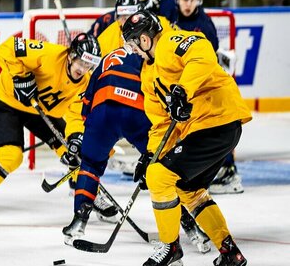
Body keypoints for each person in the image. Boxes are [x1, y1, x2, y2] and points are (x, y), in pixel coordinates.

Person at [121, 10, 252, 266]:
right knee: (188, 189)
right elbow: (160, 125)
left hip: (217, 118)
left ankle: (171, 249)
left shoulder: (170, 42)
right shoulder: (148, 75)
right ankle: (229, 252)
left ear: (145, 40)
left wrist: (183, 90)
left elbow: (203, 52)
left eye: (134, 43)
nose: (133, 50)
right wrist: (149, 155)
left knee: (160, 177)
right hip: (210, 128)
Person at [63, 45, 211, 253]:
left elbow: (87, 101)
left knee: (90, 165)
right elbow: (158, 93)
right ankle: (192, 228)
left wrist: (92, 139)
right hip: (136, 111)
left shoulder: (108, 57)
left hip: (102, 110)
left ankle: (78, 222)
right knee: (162, 168)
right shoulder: (148, 55)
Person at [0, 33, 101, 230]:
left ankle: (90, 198)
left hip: (40, 112)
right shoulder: (48, 55)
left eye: (89, 65)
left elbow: (76, 114)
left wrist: (75, 137)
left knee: (75, 153)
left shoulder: (85, 83)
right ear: (72, 55)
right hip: (8, 103)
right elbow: (6, 48)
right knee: (10, 157)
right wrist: (20, 77)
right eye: (81, 62)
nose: (83, 69)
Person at [160, 0, 242, 194]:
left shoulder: (205, 26)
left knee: (212, 122)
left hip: (200, 84)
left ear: (199, 0)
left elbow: (207, 64)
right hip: (180, 83)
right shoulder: (168, 9)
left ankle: (227, 167)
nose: (188, 3)